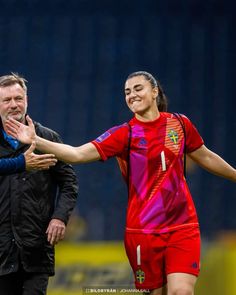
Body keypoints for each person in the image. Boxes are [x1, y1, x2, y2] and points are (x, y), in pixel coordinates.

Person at [6, 71, 236, 295]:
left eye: (138, 88)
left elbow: (205, 155)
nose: (132, 95)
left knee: (181, 291)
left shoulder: (180, 124)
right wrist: (36, 140)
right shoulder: (124, 134)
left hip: (183, 226)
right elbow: (76, 154)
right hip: (143, 231)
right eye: (127, 92)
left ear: (154, 91)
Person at [0, 73, 79, 295]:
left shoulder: (47, 138)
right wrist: (20, 163)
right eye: (7, 100)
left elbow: (69, 182)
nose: (14, 105)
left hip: (36, 247)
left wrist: (59, 217)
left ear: (27, 100)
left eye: (19, 98)